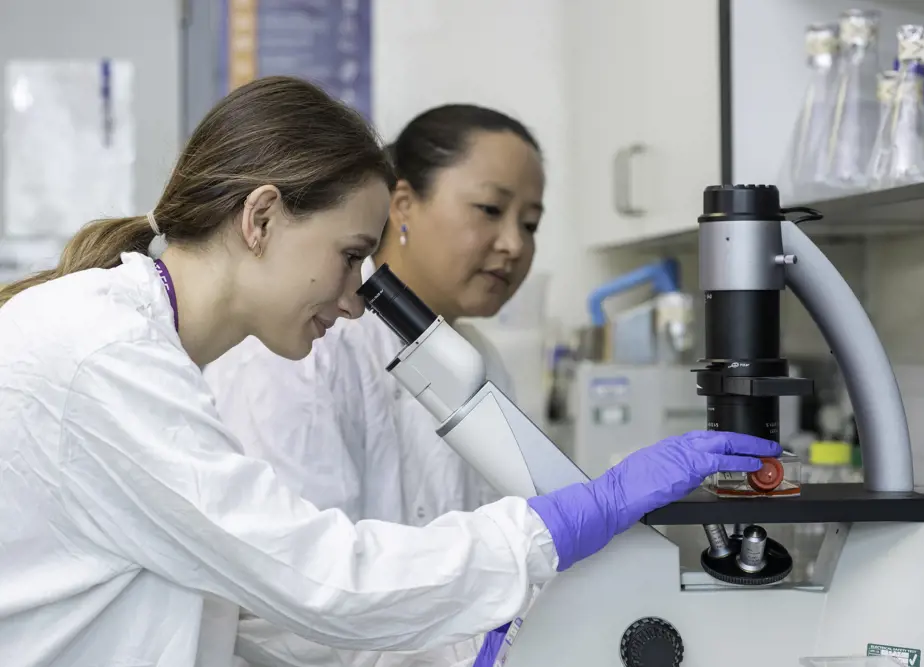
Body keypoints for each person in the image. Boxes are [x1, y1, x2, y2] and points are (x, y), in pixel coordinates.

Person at [0, 75, 782, 667]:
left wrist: (473, 643)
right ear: (261, 217)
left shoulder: (134, 344)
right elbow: (319, 576)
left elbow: (250, 602)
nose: (354, 299)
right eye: (349, 258)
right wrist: (563, 523)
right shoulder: (104, 356)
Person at [204, 104, 548, 536]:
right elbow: (307, 565)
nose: (514, 244)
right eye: (490, 209)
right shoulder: (303, 337)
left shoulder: (481, 362)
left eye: (531, 224)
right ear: (402, 203)